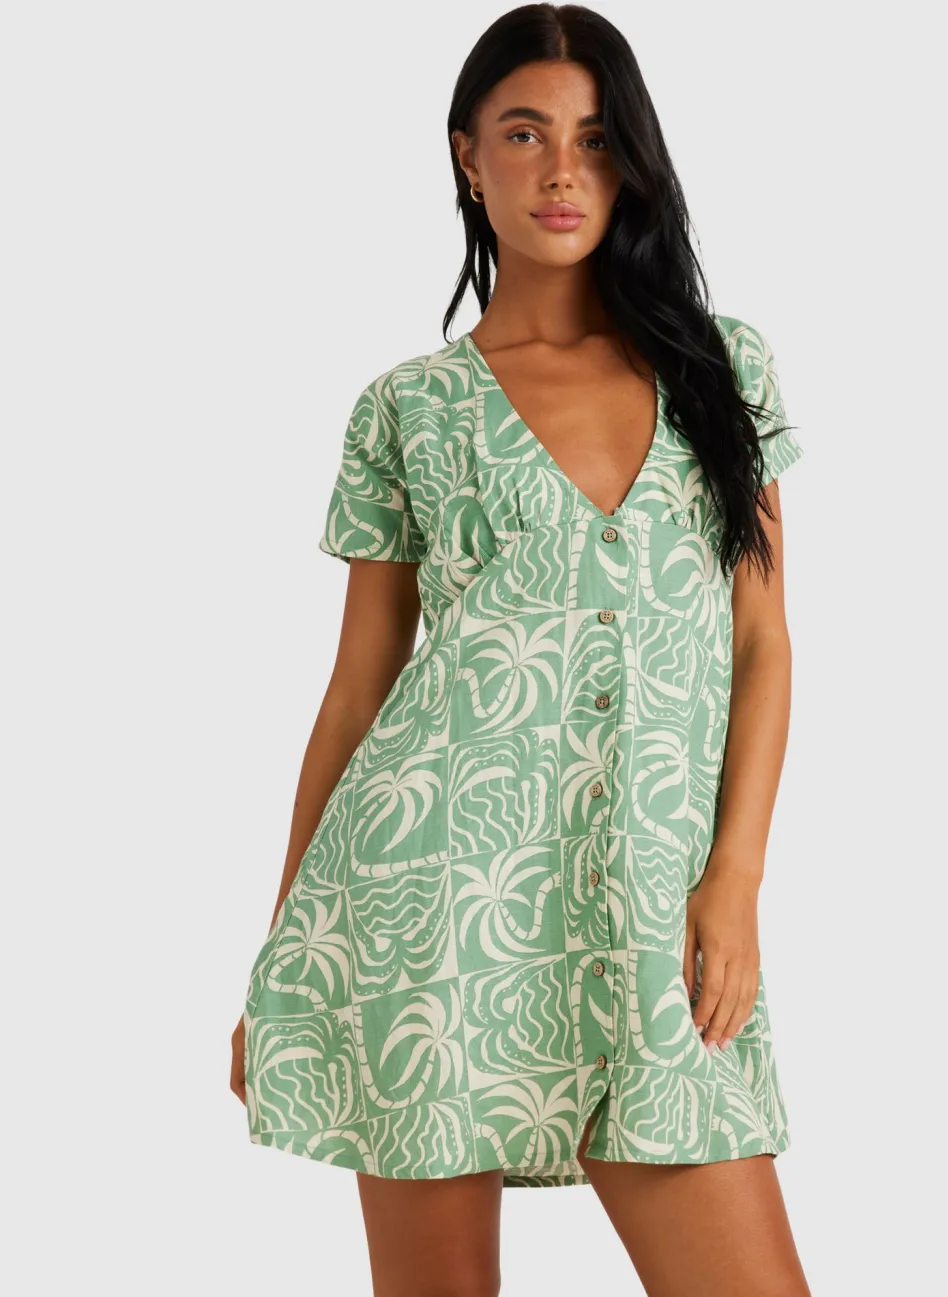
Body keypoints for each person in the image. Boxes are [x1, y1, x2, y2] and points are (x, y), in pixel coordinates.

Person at [230, 4, 811, 1294]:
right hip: (426, 908)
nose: (562, 172)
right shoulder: (408, 407)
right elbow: (359, 691)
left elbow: (764, 643)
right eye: (525, 134)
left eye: (597, 140)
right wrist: (286, 953)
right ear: (467, 154)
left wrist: (734, 880)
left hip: (655, 907)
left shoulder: (726, 373)